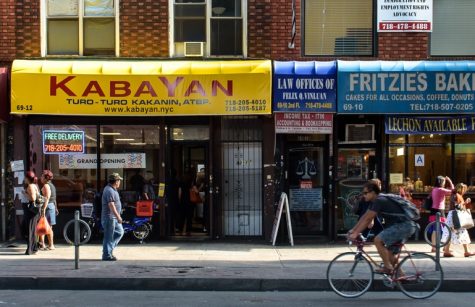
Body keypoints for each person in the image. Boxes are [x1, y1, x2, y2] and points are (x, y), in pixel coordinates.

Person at [348, 180, 418, 274]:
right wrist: (353, 230)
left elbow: (368, 219)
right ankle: (401, 276)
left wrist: (356, 233)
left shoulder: (379, 201)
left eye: (365, 193)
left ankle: (387, 267)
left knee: (377, 240)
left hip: (403, 226)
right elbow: (365, 216)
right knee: (389, 254)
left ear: (372, 192)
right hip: (404, 226)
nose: (363, 195)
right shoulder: (375, 201)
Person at [442, 183, 475, 257]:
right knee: (462, 231)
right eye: (463, 189)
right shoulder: (456, 195)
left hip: (453, 215)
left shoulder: (455, 195)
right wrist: (465, 202)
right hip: (456, 216)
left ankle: (447, 251)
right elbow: (457, 206)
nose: (464, 191)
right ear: (460, 189)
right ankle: (466, 252)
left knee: (451, 232)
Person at [101, 173, 124, 261]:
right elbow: (111, 205)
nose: (119, 182)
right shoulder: (109, 190)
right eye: (119, 181)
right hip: (109, 218)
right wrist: (118, 217)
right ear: (116, 181)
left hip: (113, 218)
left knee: (120, 232)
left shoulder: (112, 189)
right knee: (108, 237)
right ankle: (106, 255)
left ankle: (108, 250)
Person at [429, 175, 454, 252]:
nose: (444, 183)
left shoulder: (434, 189)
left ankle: (434, 247)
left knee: (434, 230)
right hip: (439, 211)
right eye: (444, 182)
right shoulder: (441, 190)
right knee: (445, 229)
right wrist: (450, 181)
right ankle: (444, 247)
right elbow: (453, 191)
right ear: (440, 182)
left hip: (433, 210)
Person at [21, 171, 41, 255]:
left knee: (29, 229)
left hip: (30, 211)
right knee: (28, 229)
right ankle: (34, 247)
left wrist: (25, 193)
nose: (24, 179)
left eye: (25, 178)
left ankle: (31, 249)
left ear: (27, 178)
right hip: (31, 211)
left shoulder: (30, 186)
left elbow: (32, 198)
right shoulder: (34, 185)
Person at [38, 170, 58, 250]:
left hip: (47, 207)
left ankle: (44, 244)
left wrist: (43, 209)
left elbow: (47, 198)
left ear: (46, 178)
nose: (41, 177)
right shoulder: (52, 185)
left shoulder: (46, 186)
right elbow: (54, 199)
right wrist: (56, 207)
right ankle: (50, 245)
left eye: (42, 176)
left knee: (43, 226)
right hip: (52, 206)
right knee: (49, 226)